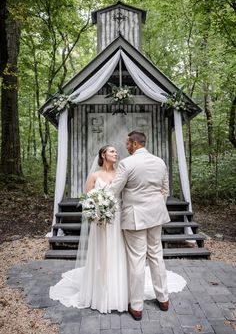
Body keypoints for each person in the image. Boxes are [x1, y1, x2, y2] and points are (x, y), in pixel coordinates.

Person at [49, 143, 186, 315]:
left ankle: (124, 295)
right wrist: (96, 210)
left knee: (126, 257)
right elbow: (87, 200)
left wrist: (106, 201)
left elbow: (126, 191)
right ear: (103, 154)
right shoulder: (95, 175)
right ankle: (104, 292)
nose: (117, 153)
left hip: (121, 219)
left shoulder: (122, 170)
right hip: (102, 222)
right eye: (112, 151)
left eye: (117, 150)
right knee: (110, 256)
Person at [110, 131, 170, 321]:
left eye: (127, 143)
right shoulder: (160, 162)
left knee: (137, 259)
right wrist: (155, 203)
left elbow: (114, 190)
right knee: (156, 254)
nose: (126, 147)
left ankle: (136, 306)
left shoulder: (127, 164)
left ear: (135, 144)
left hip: (135, 217)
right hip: (156, 214)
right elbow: (165, 191)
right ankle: (163, 299)